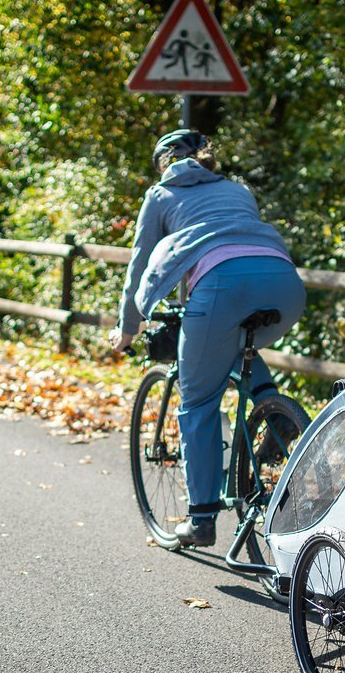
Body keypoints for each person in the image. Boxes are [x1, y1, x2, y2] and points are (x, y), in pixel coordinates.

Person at [112, 129, 306, 547]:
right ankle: (276, 413)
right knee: (234, 343)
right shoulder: (237, 190)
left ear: (164, 162)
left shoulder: (161, 195)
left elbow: (141, 261)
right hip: (285, 282)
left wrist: (128, 328)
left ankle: (200, 520)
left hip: (220, 285)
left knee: (199, 401)